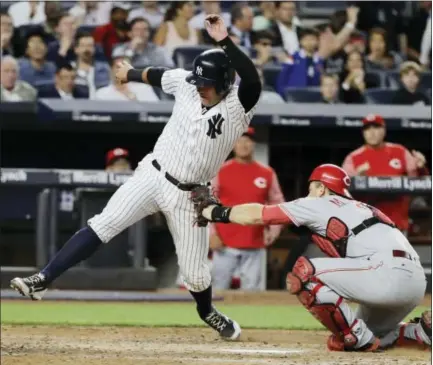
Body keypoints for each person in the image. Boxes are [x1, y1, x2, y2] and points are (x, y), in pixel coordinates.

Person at [10, 14, 261, 342]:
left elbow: (253, 80)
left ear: (226, 83)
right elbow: (160, 75)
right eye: (199, 83)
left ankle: (207, 311)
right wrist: (129, 73)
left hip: (190, 195)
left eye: (208, 84)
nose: (201, 88)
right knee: (104, 223)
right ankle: (42, 280)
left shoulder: (238, 107)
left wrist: (224, 41)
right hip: (152, 174)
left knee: (196, 276)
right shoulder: (189, 83)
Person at [193, 163, 431, 352]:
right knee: (376, 334)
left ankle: (354, 338)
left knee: (303, 273)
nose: (309, 193)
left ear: (321, 188)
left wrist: (216, 212)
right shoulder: (364, 208)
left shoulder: (321, 202)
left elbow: (259, 215)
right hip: (415, 284)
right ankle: (418, 332)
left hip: (384, 274)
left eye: (311, 188)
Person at [210, 127, 285, 290]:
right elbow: (207, 204)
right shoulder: (219, 170)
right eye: (239, 140)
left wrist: (273, 231)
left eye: (247, 140)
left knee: (252, 295)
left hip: (254, 242)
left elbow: (277, 204)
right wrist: (211, 235)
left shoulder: (267, 173)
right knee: (217, 291)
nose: (243, 144)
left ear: (253, 144)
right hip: (224, 243)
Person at [342, 114, 429, 234]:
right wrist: (356, 178)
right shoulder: (353, 158)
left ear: (384, 130)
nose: (372, 132)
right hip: (365, 227)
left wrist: (421, 168)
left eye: (376, 128)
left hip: (397, 224)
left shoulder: (400, 152)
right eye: (368, 129)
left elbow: (418, 182)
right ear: (363, 133)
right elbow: (341, 191)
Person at [61, 32, 111, 98]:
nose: (87, 49)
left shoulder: (104, 68)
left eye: (90, 46)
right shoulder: (69, 69)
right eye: (83, 46)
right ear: (76, 49)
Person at [94, 56, 158, 102]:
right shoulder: (101, 94)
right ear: (111, 70)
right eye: (118, 67)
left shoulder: (144, 88)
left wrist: (131, 97)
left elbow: (156, 110)